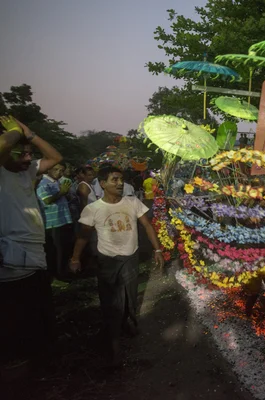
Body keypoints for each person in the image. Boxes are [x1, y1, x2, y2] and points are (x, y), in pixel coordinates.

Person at [70, 166, 164, 365]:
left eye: (121, 179)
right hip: (107, 260)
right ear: (102, 184)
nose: (120, 183)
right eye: (114, 180)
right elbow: (84, 236)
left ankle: (126, 323)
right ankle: (113, 343)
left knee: (130, 295)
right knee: (111, 300)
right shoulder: (93, 209)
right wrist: (75, 258)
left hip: (131, 256)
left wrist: (157, 250)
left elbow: (147, 225)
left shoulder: (132, 202)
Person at [0, 116, 63, 365]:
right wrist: (14, 131)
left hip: (34, 252)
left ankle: (42, 355)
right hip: (11, 256)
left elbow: (55, 158)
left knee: (39, 308)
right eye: (20, 153)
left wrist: (31, 135)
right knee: (16, 313)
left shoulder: (26, 172)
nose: (27, 158)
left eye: (29, 154)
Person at [37, 162, 74, 278]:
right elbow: (46, 200)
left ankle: (61, 271)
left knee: (62, 248)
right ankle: (56, 274)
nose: (59, 172)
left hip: (62, 220)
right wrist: (61, 192)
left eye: (61, 170)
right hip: (52, 222)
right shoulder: (43, 183)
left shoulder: (57, 182)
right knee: (55, 250)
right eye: (56, 169)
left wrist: (65, 193)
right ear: (48, 170)